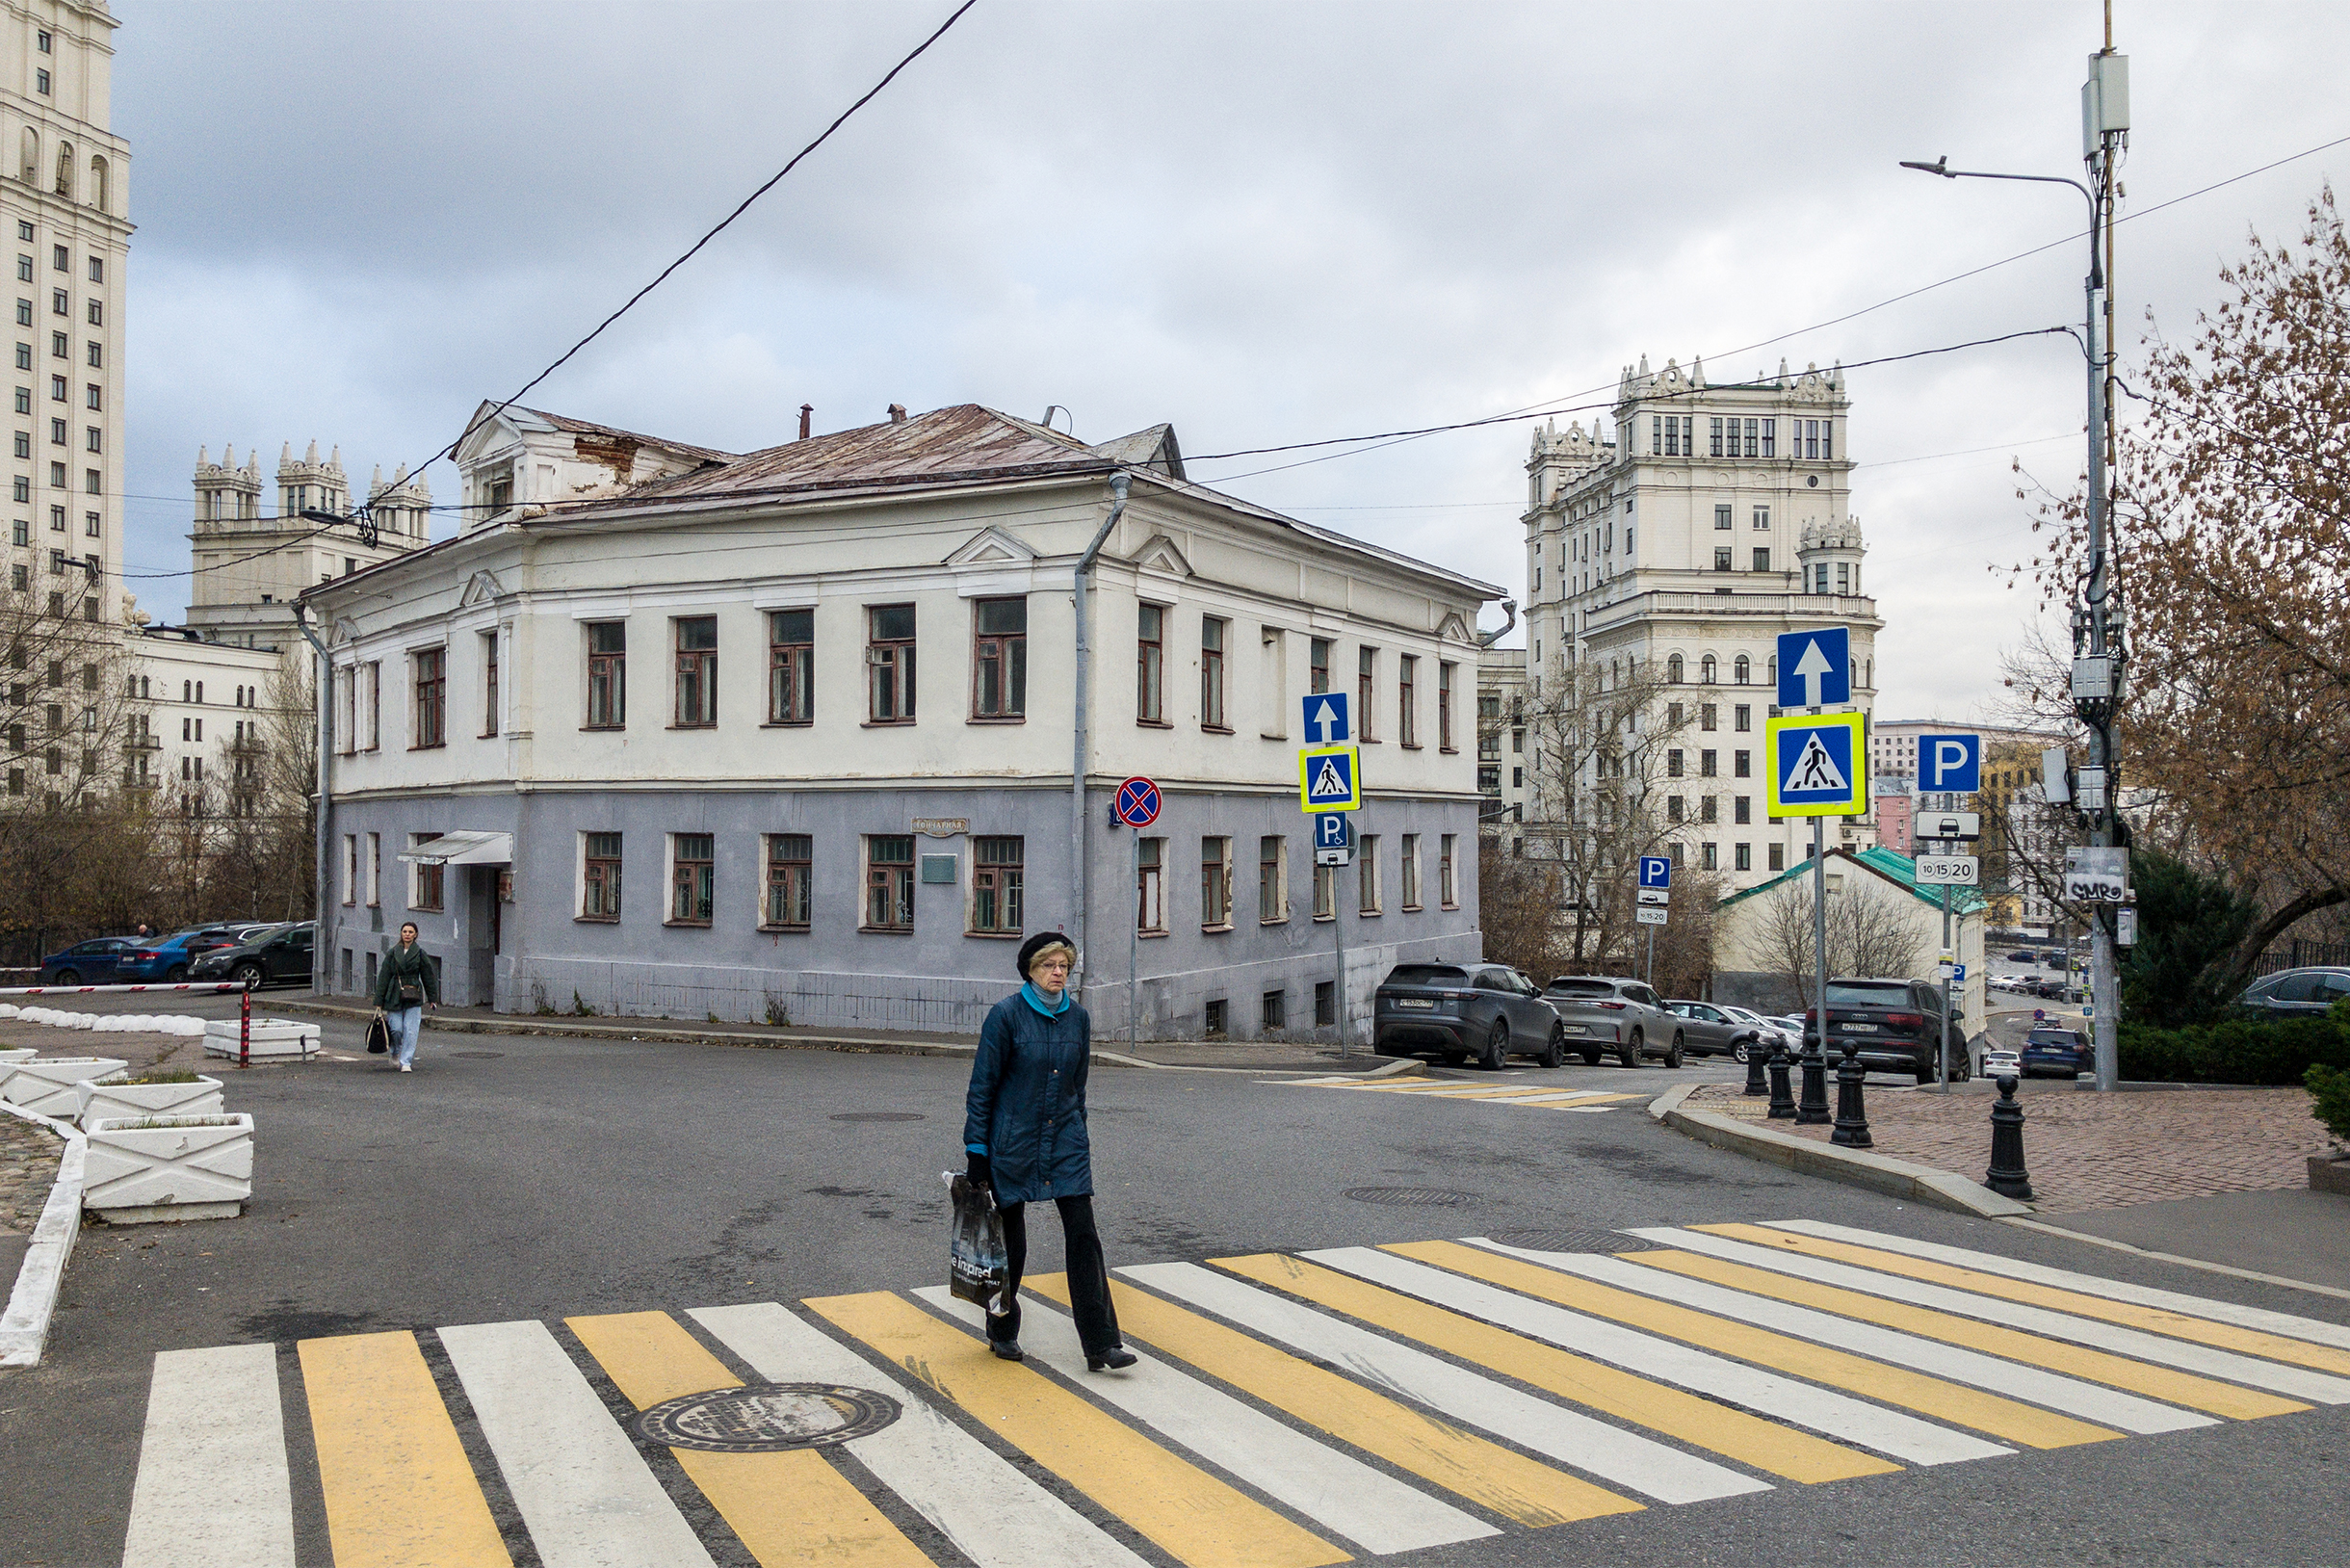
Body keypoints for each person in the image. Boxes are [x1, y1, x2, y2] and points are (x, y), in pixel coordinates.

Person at [962, 931, 1136, 1372]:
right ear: (1030, 970)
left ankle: (1101, 1344)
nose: (1058, 973)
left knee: (1083, 1236)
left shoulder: (1078, 1018)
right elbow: (983, 1088)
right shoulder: (1005, 1016)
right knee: (1011, 1245)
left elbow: (1078, 1085)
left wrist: (1078, 1131)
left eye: (1064, 966)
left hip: (1065, 1143)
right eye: (1049, 966)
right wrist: (977, 1151)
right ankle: (1002, 1329)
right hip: (1012, 1144)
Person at [373, 922, 439, 1073]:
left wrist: (432, 998)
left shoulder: (420, 953)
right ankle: (395, 1052)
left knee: (410, 1030)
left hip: (413, 993)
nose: (407, 934)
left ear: (415, 934)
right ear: (401, 934)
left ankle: (406, 1061)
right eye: (405, 931)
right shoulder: (393, 952)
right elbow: (384, 976)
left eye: (410, 932)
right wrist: (379, 1001)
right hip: (394, 993)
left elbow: (428, 976)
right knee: (395, 1029)